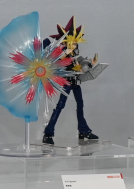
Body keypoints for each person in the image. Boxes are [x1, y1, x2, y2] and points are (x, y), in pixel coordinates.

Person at [41, 17, 100, 146]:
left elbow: (82, 66)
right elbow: (55, 62)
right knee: (60, 106)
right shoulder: (63, 53)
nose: (74, 45)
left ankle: (83, 131)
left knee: (80, 105)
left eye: (75, 43)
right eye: (71, 43)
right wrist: (65, 54)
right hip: (67, 82)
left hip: (76, 82)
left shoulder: (75, 54)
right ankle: (48, 133)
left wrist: (91, 63)